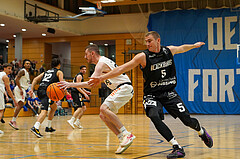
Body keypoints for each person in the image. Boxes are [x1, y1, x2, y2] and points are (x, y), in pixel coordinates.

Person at [88, 31, 213, 158]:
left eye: (149, 41)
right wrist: (102, 78)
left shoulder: (168, 51)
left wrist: (194, 45)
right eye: (146, 41)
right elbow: (121, 69)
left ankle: (201, 132)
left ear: (158, 40)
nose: (147, 44)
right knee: (154, 116)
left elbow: (182, 48)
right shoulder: (143, 56)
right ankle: (176, 146)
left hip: (169, 92)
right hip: (152, 94)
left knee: (187, 120)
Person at [59, 44, 135, 154]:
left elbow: (90, 84)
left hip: (124, 87)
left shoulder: (101, 64)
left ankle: (126, 134)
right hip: (122, 88)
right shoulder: (102, 63)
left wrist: (70, 84)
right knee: (103, 115)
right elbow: (92, 83)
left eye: (86, 54)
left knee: (103, 108)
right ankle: (121, 138)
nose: (85, 57)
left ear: (92, 53)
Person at [29, 58, 64, 138]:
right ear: (59, 64)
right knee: (44, 111)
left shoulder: (46, 72)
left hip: (40, 90)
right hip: (47, 92)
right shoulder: (59, 72)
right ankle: (35, 127)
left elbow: (35, 79)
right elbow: (62, 84)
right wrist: (64, 92)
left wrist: (31, 89)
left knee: (54, 107)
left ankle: (48, 127)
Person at [9, 59, 31, 130]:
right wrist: (20, 89)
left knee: (20, 105)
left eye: (29, 64)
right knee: (20, 104)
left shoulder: (27, 73)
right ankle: (13, 120)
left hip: (22, 89)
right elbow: (16, 79)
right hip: (20, 88)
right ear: (24, 64)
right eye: (27, 63)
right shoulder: (22, 71)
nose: (28, 65)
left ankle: (13, 120)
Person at [0, 63, 18, 134]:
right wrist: (14, 99)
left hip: (1, 92)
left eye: (11, 69)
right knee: (1, 110)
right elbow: (8, 90)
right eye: (8, 68)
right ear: (4, 68)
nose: (10, 70)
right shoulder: (5, 77)